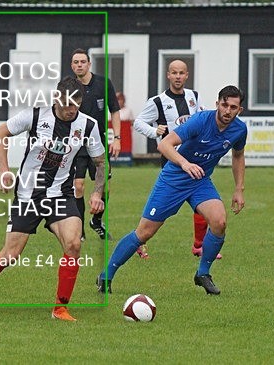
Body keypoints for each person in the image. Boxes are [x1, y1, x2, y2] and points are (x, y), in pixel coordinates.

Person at [0, 76, 106, 322]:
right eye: (63, 105)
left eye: (73, 106)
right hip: (28, 194)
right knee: (10, 254)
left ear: (80, 102)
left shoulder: (88, 125)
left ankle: (60, 309)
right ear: (55, 98)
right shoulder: (35, 116)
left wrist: (97, 192)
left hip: (60, 194)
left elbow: (100, 162)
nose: (68, 110)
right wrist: (3, 170)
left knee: (73, 244)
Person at [97, 85, 247, 296]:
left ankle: (203, 273)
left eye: (233, 107)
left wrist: (239, 189)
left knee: (219, 221)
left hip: (200, 181)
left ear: (239, 110)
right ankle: (105, 276)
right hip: (174, 178)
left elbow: (238, 156)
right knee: (144, 232)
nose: (227, 111)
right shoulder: (200, 121)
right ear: (217, 104)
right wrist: (185, 164)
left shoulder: (239, 129)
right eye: (224, 105)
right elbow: (165, 145)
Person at [132, 59, 218, 259]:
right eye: (174, 73)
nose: (178, 76)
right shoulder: (157, 102)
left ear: (187, 75)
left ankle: (199, 245)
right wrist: (154, 131)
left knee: (203, 201)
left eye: (182, 73)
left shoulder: (193, 97)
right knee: (159, 211)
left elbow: (202, 116)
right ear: (168, 75)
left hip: (194, 158)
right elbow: (138, 122)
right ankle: (139, 240)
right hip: (173, 160)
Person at [69, 48, 120, 241]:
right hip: (76, 145)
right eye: (76, 62)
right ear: (72, 65)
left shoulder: (103, 83)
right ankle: (78, 229)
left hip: (98, 145)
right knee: (78, 186)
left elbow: (114, 110)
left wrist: (117, 138)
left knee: (104, 186)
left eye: (83, 61)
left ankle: (96, 221)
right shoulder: (68, 86)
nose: (79, 65)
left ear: (89, 64)